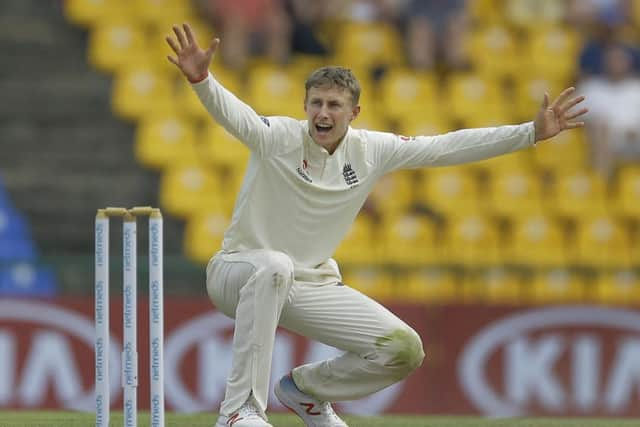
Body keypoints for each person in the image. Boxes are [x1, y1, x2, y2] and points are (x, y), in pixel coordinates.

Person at [166, 23, 588, 427]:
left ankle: (305, 390)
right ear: (305, 106)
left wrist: (529, 133)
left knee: (403, 349)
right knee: (273, 265)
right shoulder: (278, 137)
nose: (323, 113)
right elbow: (237, 117)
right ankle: (239, 411)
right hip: (237, 272)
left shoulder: (371, 150)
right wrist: (203, 81)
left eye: (334, 105)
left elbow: (445, 147)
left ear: (354, 112)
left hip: (308, 284)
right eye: (316, 103)